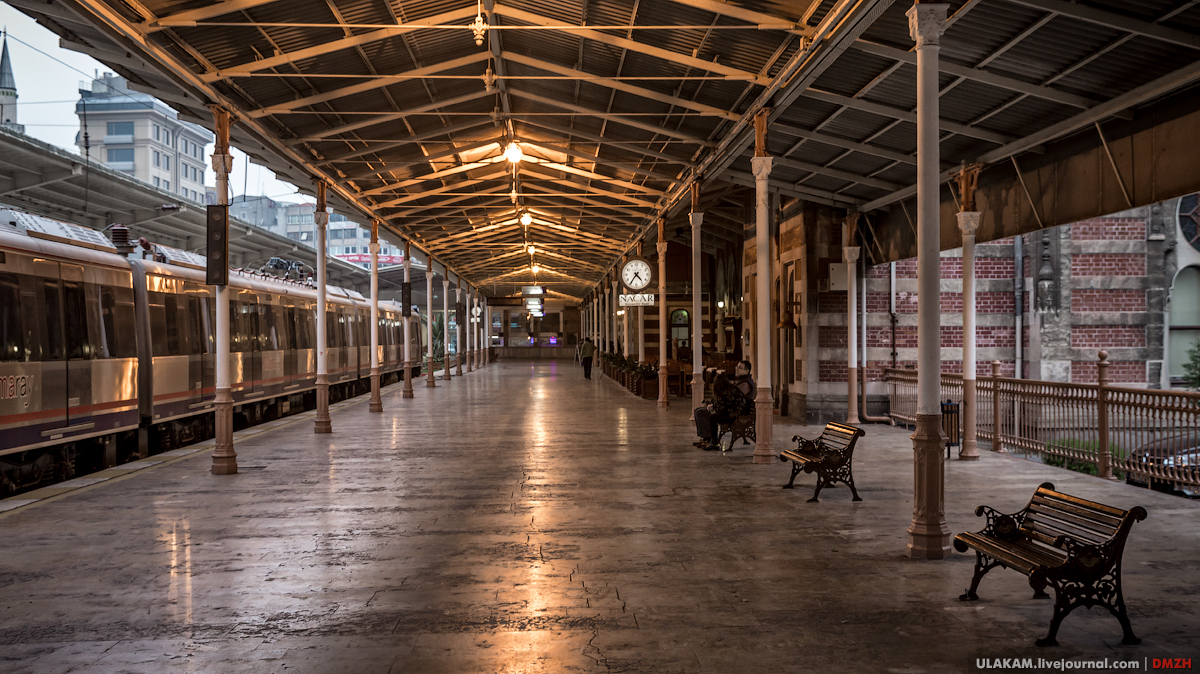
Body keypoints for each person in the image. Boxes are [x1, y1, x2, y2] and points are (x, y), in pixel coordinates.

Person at [693, 373, 754, 451]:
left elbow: (722, 409)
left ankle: (714, 442)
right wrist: (712, 406)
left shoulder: (727, 391)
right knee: (699, 411)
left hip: (734, 415)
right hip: (730, 412)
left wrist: (712, 408)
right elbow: (721, 406)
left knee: (713, 418)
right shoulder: (727, 389)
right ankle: (706, 438)